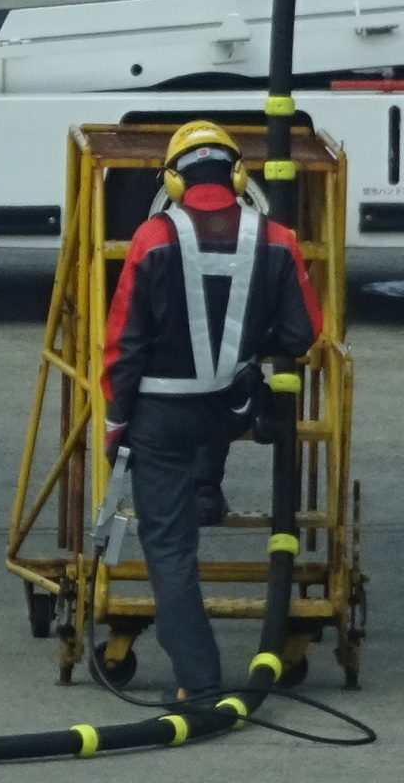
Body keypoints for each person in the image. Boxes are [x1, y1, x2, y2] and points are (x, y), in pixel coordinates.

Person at [101, 121, 321, 699]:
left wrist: (114, 423)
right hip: (228, 409)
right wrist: (249, 348)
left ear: (173, 181)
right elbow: (304, 331)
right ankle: (207, 481)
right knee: (229, 398)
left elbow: (124, 342)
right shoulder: (278, 238)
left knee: (171, 551)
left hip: (157, 418)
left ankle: (198, 684)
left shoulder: (151, 238)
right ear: (238, 175)